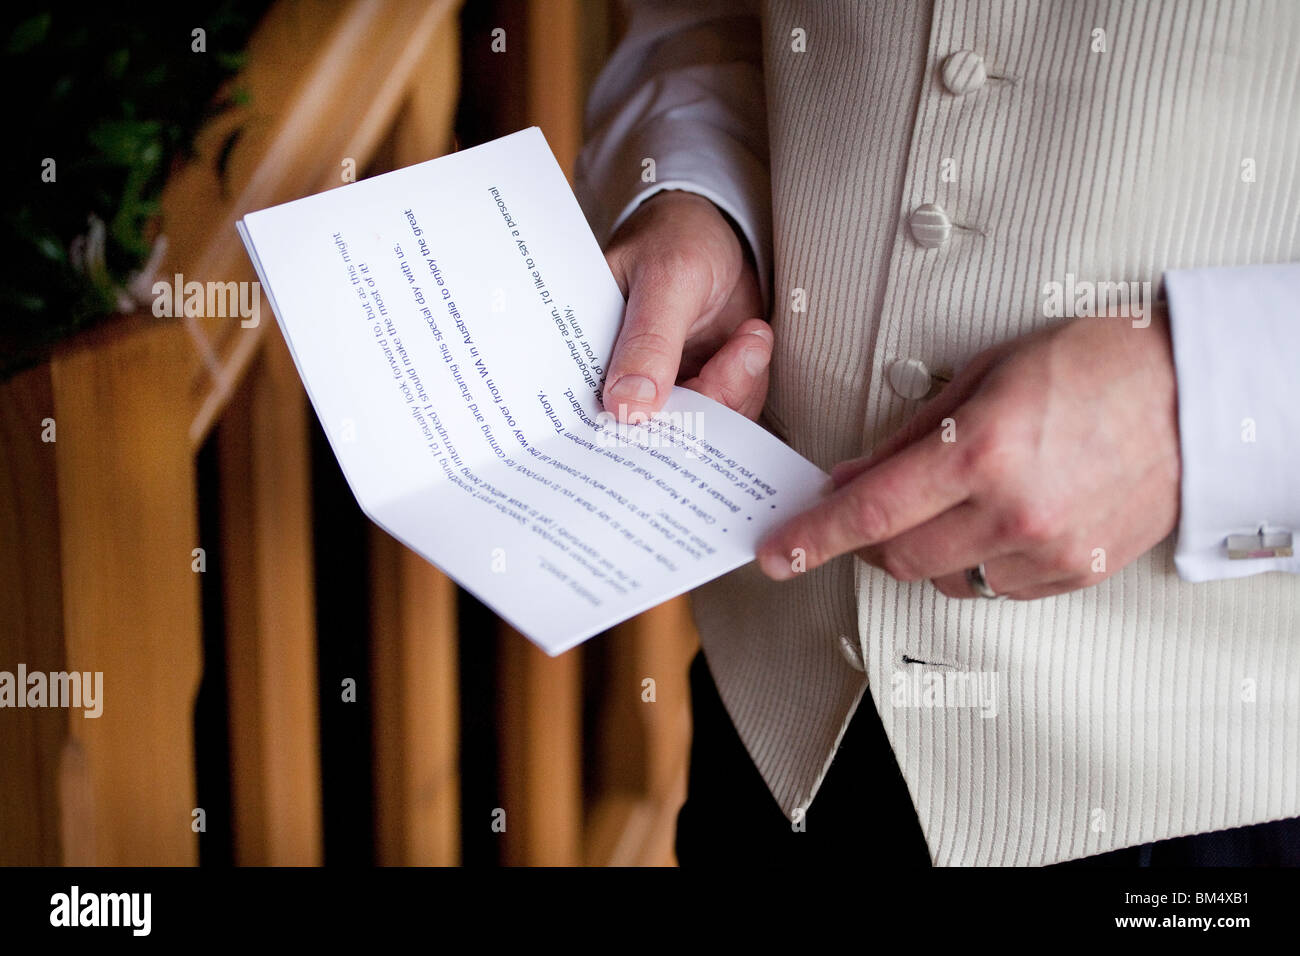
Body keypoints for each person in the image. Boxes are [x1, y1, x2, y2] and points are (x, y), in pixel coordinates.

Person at [575, 0, 1300, 866]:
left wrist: (1202, 407)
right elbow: (707, 20)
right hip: (788, 714)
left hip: (1209, 778)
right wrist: (704, 196)